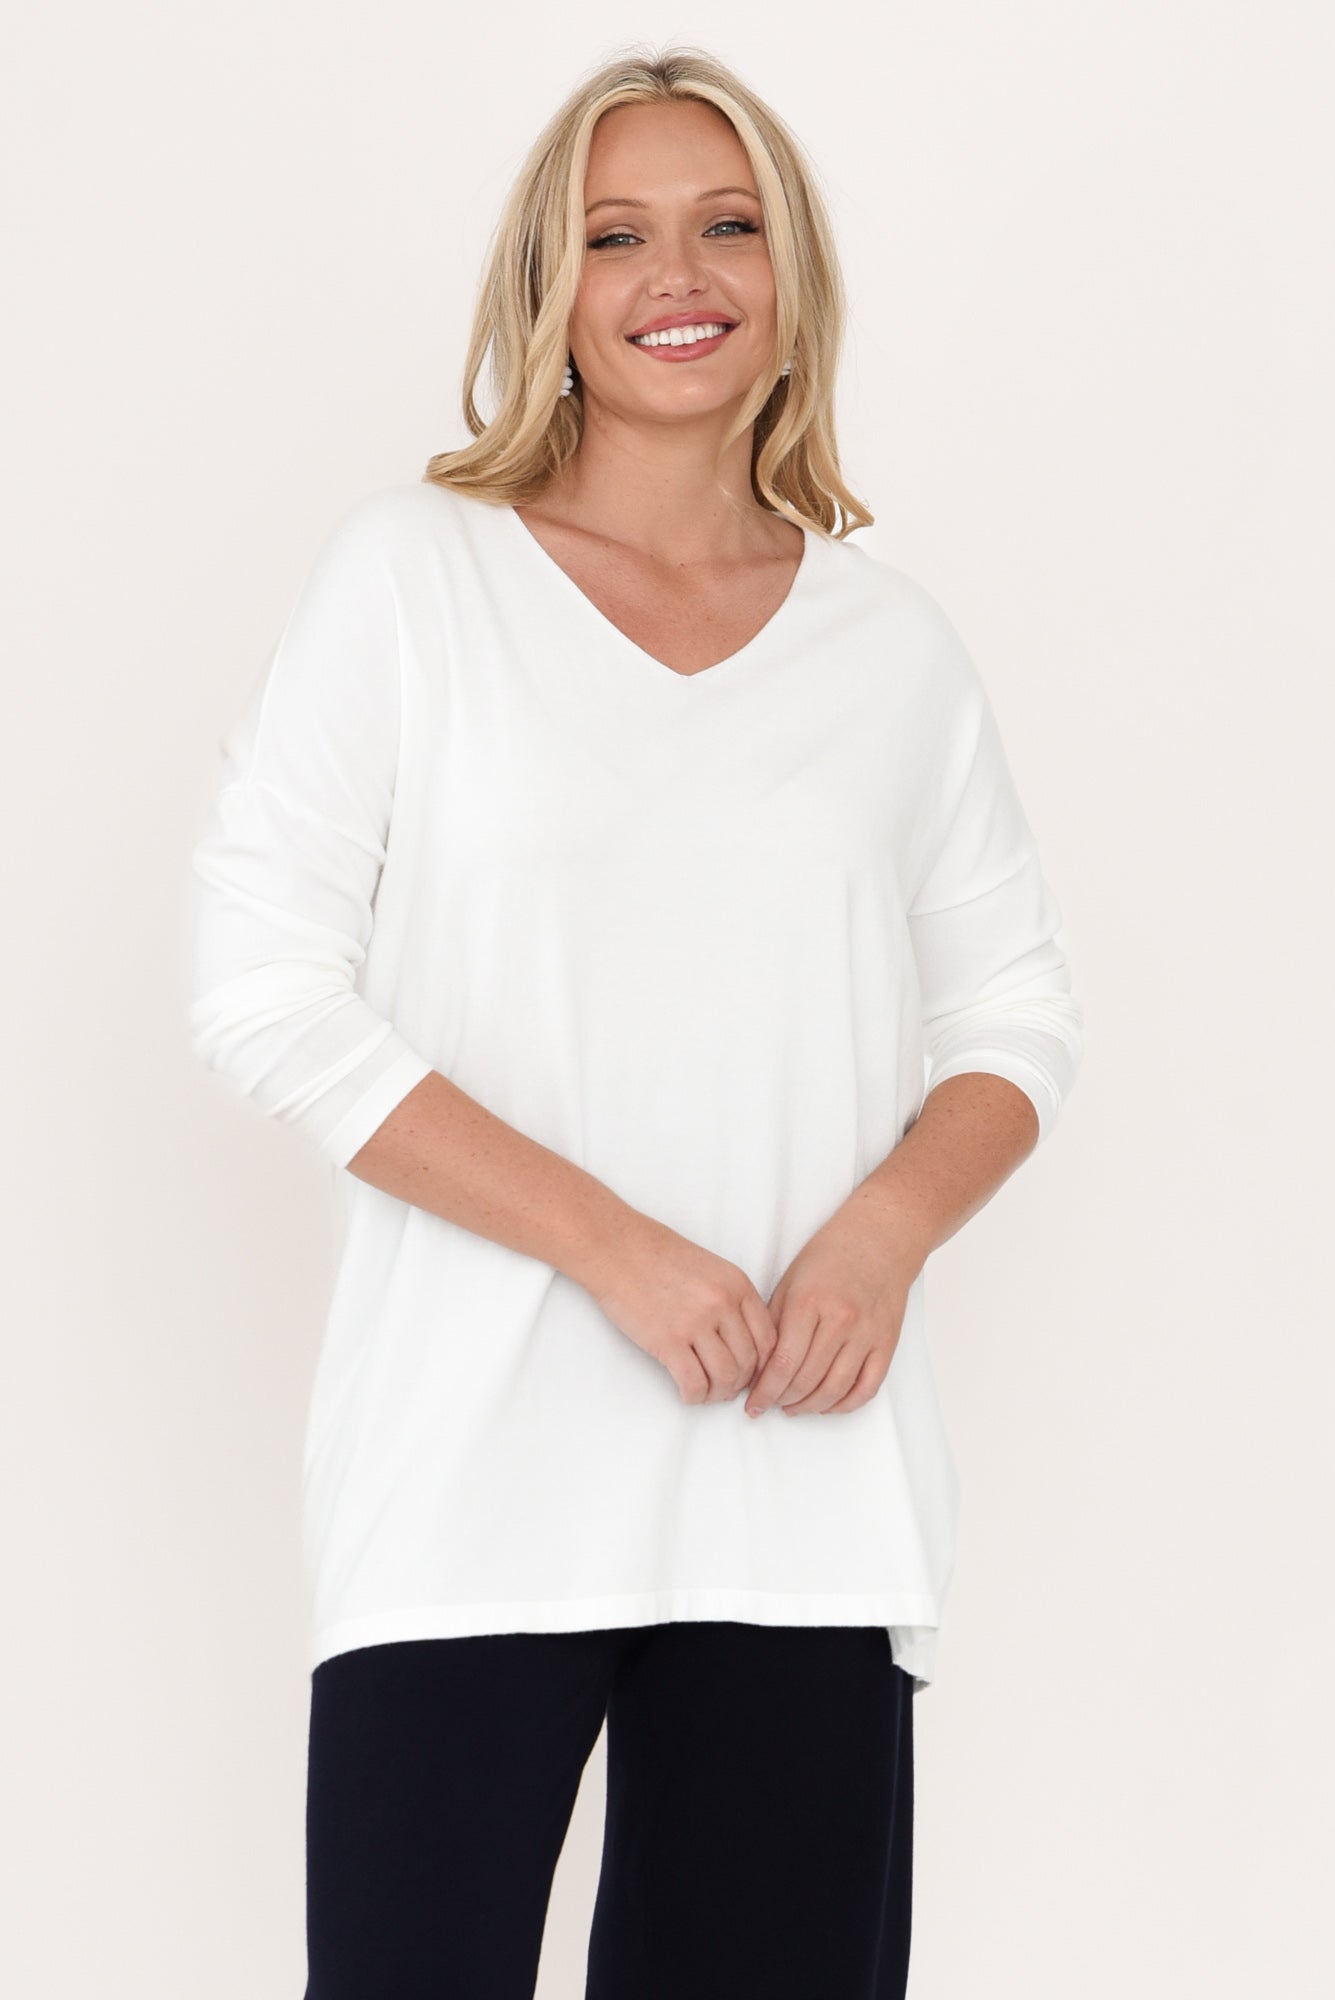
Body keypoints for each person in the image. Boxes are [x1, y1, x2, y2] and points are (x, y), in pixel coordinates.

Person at [188, 44, 1084, 2000]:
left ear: (788, 275)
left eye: (725, 223)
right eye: (616, 235)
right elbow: (261, 981)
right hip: (467, 1490)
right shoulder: (414, 582)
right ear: (550, 291)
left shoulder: (891, 650)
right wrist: (612, 1248)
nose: (676, 273)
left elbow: (1014, 1012)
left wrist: (883, 1232)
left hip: (802, 1503)